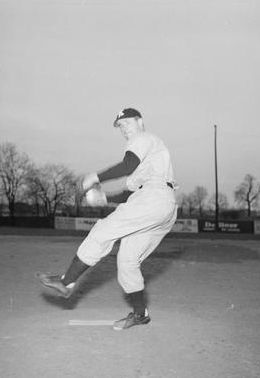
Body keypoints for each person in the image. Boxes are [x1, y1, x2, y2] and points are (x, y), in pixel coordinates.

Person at [37, 107, 178, 330]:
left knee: (103, 231)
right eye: (120, 126)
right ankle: (140, 314)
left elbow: (128, 164)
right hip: (159, 205)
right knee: (127, 261)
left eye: (127, 123)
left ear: (140, 122)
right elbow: (128, 193)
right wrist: (103, 197)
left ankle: (66, 282)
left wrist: (93, 177)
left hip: (154, 199)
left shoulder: (144, 138)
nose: (123, 129)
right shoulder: (148, 158)